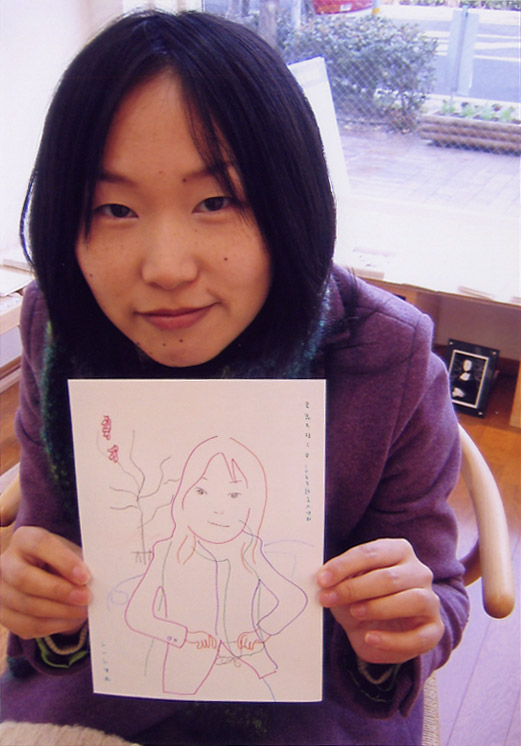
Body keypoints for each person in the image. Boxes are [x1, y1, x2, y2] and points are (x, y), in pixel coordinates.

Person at [0, 10, 468, 746]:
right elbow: (50, 542)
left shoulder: (387, 356)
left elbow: (436, 588)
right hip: (107, 688)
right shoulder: (58, 326)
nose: (166, 268)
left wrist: (406, 622)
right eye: (113, 208)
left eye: (215, 202)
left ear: (290, 202)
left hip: (315, 698)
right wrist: (38, 600)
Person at [124, 436, 307, 698]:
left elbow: (294, 598)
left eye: (234, 495)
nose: (218, 508)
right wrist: (185, 635)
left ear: (253, 502)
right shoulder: (168, 552)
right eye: (201, 491)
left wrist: (262, 631)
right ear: (184, 495)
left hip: (250, 666)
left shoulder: (248, 549)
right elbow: (137, 615)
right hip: (185, 675)